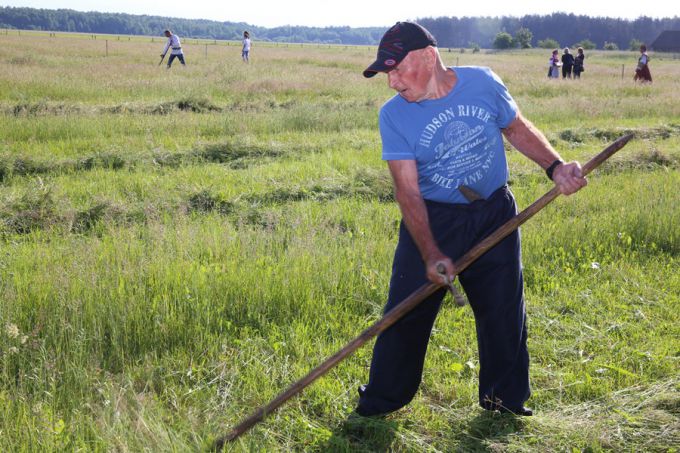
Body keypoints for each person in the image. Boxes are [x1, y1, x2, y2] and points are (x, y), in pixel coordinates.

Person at [357, 21, 587, 418]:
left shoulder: (482, 83)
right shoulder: (393, 116)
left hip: (494, 212)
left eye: (396, 69)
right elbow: (408, 191)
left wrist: (555, 167)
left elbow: (515, 127)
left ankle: (505, 401)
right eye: (386, 73)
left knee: (502, 309)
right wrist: (430, 253)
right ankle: (382, 400)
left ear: (429, 57)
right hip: (433, 218)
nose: (392, 82)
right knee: (406, 312)